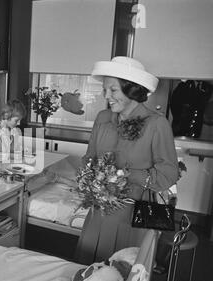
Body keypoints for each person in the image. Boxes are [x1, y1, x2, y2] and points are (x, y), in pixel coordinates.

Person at [74, 56, 179, 265]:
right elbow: (89, 157)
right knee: (88, 271)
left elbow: (168, 174)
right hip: (99, 211)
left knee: (123, 276)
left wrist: (125, 175)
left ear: (132, 90)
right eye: (105, 90)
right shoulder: (103, 118)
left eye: (113, 90)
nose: (107, 96)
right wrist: (86, 176)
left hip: (133, 215)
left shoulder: (157, 124)